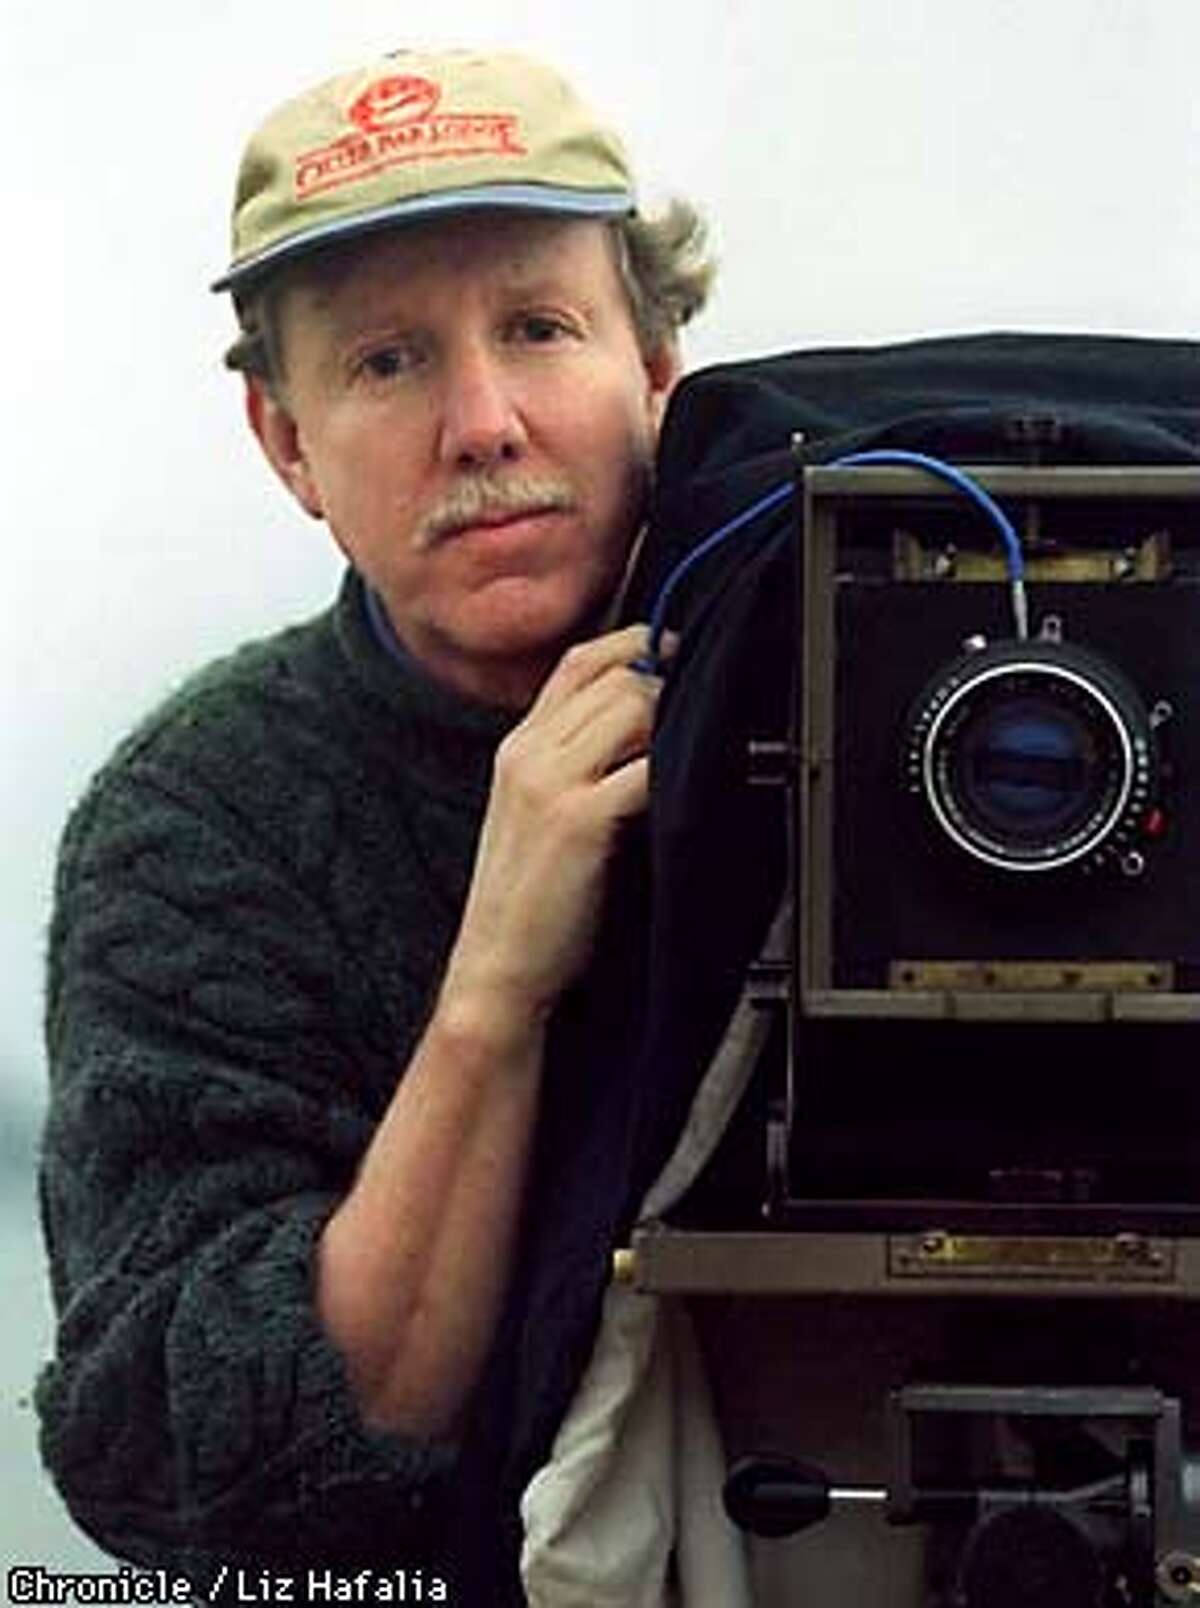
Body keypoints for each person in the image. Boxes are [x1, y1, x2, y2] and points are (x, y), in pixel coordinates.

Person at [36, 47, 713, 1607]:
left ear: (660, 372)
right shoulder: (199, 819)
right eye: (389, 362)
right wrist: (494, 983)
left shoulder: (889, 695)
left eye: (539, 328)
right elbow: (191, 1460)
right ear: (290, 450)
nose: (483, 424)